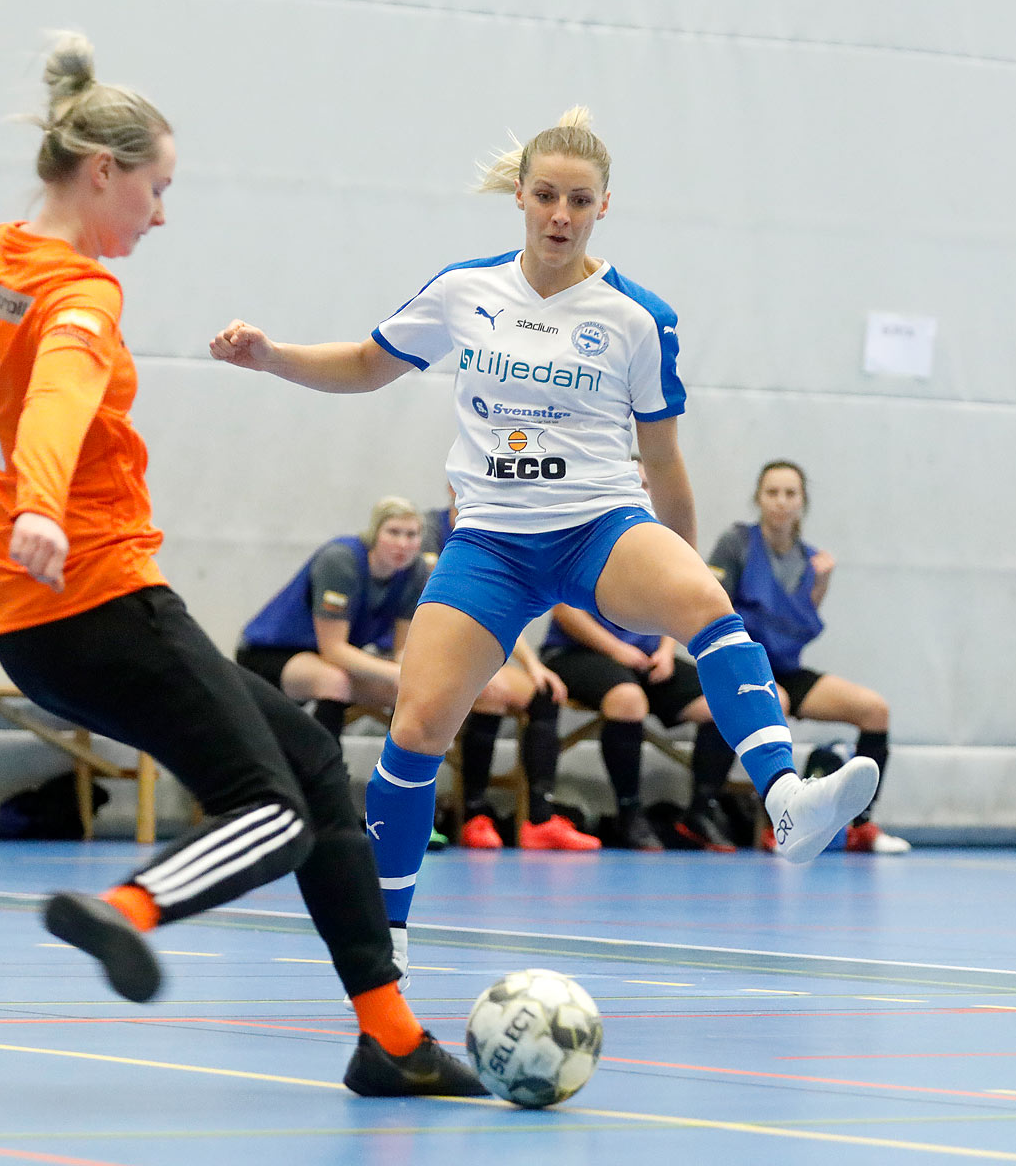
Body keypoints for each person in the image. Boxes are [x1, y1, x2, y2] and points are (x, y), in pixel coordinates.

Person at [0, 33, 481, 1096]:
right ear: (102, 173)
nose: (162, 214)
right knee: (275, 813)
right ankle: (128, 910)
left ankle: (391, 1038)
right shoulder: (79, 296)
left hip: (32, 630)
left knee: (311, 770)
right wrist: (41, 506)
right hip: (104, 600)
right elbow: (63, 398)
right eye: (157, 189)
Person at [210, 106, 879, 979]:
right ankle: (384, 937)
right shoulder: (465, 291)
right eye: (546, 196)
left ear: (606, 206)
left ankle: (785, 801)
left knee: (709, 604)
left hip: (601, 524)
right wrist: (271, 356)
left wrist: (677, 560)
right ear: (520, 197)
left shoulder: (640, 317)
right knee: (417, 725)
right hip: (490, 542)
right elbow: (369, 364)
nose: (561, 214)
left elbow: (662, 456)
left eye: (580, 200)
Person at [710, 461, 910, 854]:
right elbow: (712, 606)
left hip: (786, 669)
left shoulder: (814, 562)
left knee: (875, 710)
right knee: (776, 701)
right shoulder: (736, 544)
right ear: (758, 498)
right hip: (743, 666)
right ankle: (776, 823)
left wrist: (821, 585)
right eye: (772, 493)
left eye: (790, 494)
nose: (781, 502)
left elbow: (799, 624)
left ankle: (860, 825)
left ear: (803, 503)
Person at [420, 491, 593, 851]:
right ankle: (472, 813)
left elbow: (502, 608)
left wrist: (534, 666)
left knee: (543, 692)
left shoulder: (500, 526)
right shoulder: (428, 534)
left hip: (479, 644)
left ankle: (540, 818)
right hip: (433, 646)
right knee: (488, 691)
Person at [540, 603, 738, 851]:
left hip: (645, 658)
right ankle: (629, 812)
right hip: (575, 651)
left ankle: (701, 812)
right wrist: (616, 649)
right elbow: (564, 612)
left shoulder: (668, 563)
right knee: (628, 699)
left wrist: (666, 652)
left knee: (724, 703)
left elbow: (673, 603)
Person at [235, 496, 431, 742]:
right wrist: (396, 673)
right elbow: (333, 650)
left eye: (411, 535)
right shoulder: (341, 561)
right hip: (272, 652)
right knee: (334, 682)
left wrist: (410, 675)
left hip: (332, 657)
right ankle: (327, 775)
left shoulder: (415, 571)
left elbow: (402, 648)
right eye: (393, 532)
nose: (403, 544)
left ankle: (401, 775)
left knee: (406, 690)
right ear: (374, 534)